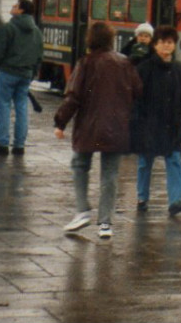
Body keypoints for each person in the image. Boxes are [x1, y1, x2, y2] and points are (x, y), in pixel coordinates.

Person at [54, 21, 143, 239]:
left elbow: (73, 96)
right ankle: (105, 223)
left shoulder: (85, 63)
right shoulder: (125, 63)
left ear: (90, 40)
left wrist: (60, 122)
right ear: (111, 40)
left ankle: (83, 210)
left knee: (80, 165)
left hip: (89, 127)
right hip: (117, 128)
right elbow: (138, 91)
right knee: (110, 174)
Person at [132, 25, 181, 216]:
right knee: (145, 162)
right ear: (155, 45)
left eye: (170, 43)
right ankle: (142, 197)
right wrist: (136, 121)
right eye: (163, 42)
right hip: (149, 125)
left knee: (174, 160)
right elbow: (135, 98)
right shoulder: (144, 69)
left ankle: (175, 201)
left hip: (173, 125)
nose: (166, 46)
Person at [0, 0, 44, 156]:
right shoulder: (36, 31)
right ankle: (19, 145)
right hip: (26, 74)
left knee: (3, 107)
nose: (12, 7)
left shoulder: (7, 28)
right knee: (21, 108)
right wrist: (32, 72)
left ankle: (3, 144)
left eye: (15, 6)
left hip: (8, 72)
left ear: (21, 11)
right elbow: (39, 55)